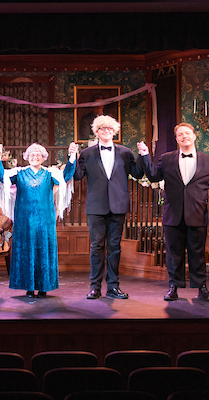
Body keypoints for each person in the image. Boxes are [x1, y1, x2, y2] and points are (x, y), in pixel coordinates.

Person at [137, 123, 209, 301]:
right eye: (180, 134)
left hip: (197, 214)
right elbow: (153, 177)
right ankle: (174, 286)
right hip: (173, 215)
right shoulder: (166, 159)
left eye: (187, 133)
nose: (184, 136)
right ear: (176, 139)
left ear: (194, 136)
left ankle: (201, 287)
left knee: (198, 254)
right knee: (174, 255)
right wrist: (144, 155)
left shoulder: (207, 159)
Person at [67, 115, 144, 300]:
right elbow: (77, 176)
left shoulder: (126, 152)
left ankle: (113, 287)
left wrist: (143, 155)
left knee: (114, 248)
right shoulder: (87, 153)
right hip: (96, 207)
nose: (106, 131)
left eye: (109, 128)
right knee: (96, 247)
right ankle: (95, 287)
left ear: (114, 131)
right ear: (97, 132)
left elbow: (138, 173)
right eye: (102, 128)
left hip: (118, 206)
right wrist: (71, 157)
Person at [0, 143, 76, 298]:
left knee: (43, 251)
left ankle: (44, 287)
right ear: (27, 157)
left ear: (43, 157)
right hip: (24, 221)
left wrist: (72, 156)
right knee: (27, 251)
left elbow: (67, 176)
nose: (35, 156)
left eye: (38, 154)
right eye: (32, 154)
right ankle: (29, 288)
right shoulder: (19, 173)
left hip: (45, 220)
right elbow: (0, 176)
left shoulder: (51, 173)